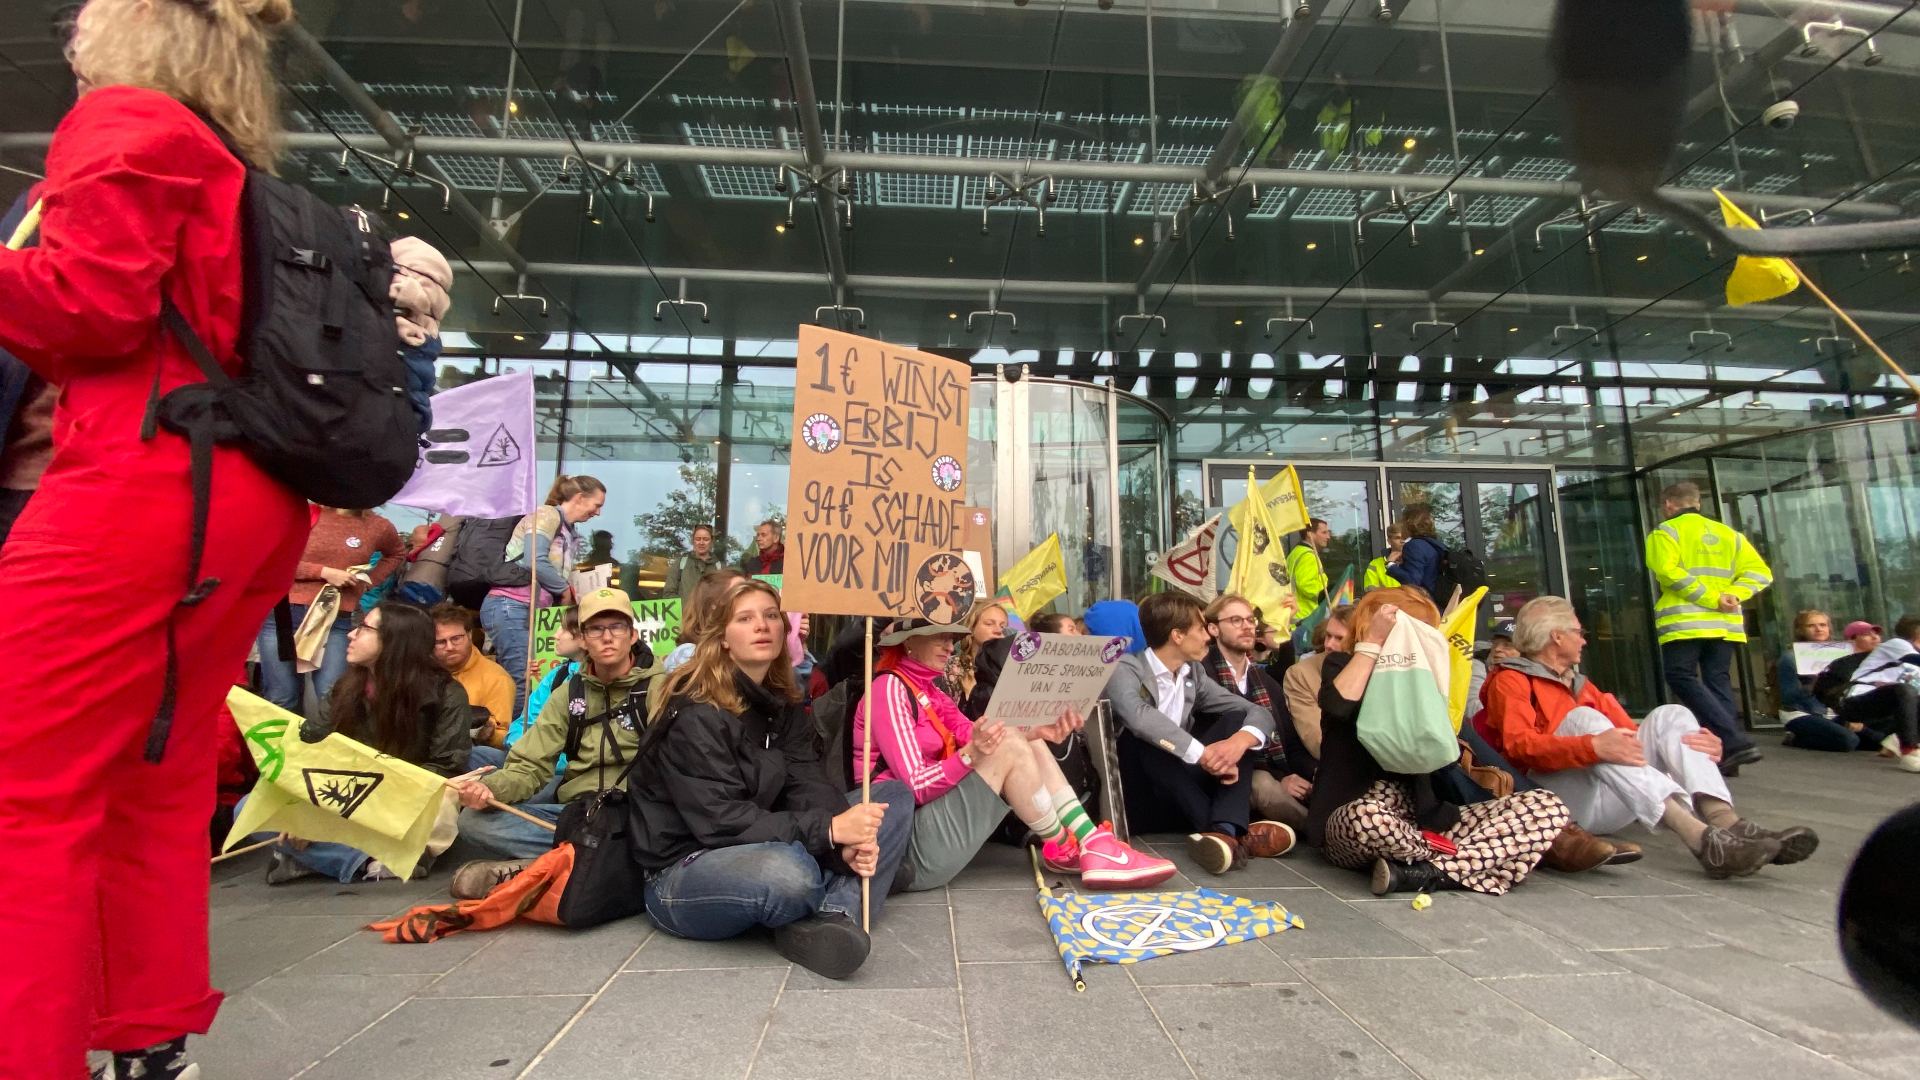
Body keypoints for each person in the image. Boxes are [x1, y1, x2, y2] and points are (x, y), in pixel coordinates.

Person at [0, 2, 314, 1074]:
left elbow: (87, 309)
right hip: (247, 497)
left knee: (24, 796)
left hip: (136, 482)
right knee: (159, 782)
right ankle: (148, 1041)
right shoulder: (228, 164)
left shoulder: (126, 121)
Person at [627, 579, 913, 979]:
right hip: (686, 868)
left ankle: (828, 917)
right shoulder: (695, 711)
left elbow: (807, 783)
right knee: (790, 871)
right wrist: (831, 833)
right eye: (745, 618)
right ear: (722, 638)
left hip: (764, 834)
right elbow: (721, 821)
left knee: (892, 798)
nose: (762, 625)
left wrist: (841, 845)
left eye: (771, 615)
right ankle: (848, 895)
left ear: (785, 629)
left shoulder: (783, 703)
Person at [1483, 596, 1818, 878]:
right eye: (1578, 632)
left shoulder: (1581, 684)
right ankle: (1701, 839)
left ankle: (1726, 822)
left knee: (1670, 715)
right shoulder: (1511, 681)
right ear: (1556, 637)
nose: (1584, 639)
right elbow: (1519, 747)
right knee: (1584, 720)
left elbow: (1630, 740)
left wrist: (1697, 748)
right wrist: (1591, 746)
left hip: (1610, 798)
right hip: (1555, 806)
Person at [857, 619, 1174, 891]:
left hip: (926, 828)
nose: (949, 645)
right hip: (903, 847)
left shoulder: (931, 691)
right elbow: (915, 785)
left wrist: (1036, 733)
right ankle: (1070, 846)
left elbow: (984, 738)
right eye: (938, 636)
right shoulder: (888, 689)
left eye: (952, 638)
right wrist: (971, 754)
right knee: (1007, 737)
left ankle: (1083, 842)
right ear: (908, 642)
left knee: (1014, 734)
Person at [1307, 587, 1573, 897]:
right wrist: (1374, 643)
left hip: (1425, 819)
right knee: (1366, 818)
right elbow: (1338, 704)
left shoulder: (1426, 677)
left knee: (1547, 807)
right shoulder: (1343, 662)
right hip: (1354, 816)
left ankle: (1429, 873)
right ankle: (1476, 860)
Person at [264, 603, 474, 886]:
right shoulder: (346, 686)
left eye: (364, 628)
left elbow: (446, 766)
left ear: (394, 641)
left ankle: (318, 857)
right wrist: (307, 806)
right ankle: (370, 861)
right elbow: (311, 744)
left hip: (403, 798)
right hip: (341, 793)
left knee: (446, 803)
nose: (351, 635)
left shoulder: (445, 693)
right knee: (253, 809)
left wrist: (373, 796)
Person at [450, 589, 653, 879]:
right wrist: (491, 788)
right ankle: (587, 859)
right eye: (595, 629)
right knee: (474, 821)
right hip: (578, 812)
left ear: (633, 635)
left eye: (617, 627)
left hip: (637, 810)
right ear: (583, 639)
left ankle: (549, 866)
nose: (607, 637)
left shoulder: (663, 689)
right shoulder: (567, 694)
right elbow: (530, 765)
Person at [1105, 591, 1292, 875]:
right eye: (1201, 628)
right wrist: (1203, 754)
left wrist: (1237, 744)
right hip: (1139, 796)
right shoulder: (1125, 668)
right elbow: (1140, 719)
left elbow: (1257, 712)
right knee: (1146, 737)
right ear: (1177, 636)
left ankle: (1224, 831)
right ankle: (1231, 834)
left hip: (1183, 794)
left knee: (1237, 720)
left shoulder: (1193, 673)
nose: (1208, 636)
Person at [1645, 480, 1772, 773]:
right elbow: (1761, 573)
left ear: (1668, 505)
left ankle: (1733, 740)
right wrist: (1733, 595)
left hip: (1685, 621)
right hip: (1724, 623)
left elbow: (1668, 573)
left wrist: (1711, 598)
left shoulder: (1664, 532)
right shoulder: (1729, 534)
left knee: (1680, 675)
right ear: (1698, 504)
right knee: (1718, 680)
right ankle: (1728, 757)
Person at [255, 506, 404, 716]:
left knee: (334, 698)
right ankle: (282, 748)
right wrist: (323, 572)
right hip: (282, 617)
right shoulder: (303, 514)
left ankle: (327, 746)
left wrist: (367, 582)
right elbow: (273, 556)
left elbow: (396, 553)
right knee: (282, 697)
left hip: (335, 622)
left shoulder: (377, 526)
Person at [481, 474, 605, 719]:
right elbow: (534, 560)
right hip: (510, 604)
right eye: (597, 505)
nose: (598, 513)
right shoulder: (547, 515)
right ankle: (517, 742)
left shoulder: (570, 532)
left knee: (533, 676)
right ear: (580, 498)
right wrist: (564, 590)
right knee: (523, 677)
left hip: (532, 609)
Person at [1205, 594, 1309, 836]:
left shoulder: (1266, 682)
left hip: (1270, 773)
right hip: (1220, 775)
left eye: (1250, 620)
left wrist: (1306, 775)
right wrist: (1279, 778)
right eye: (1235, 620)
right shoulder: (1201, 673)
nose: (1247, 626)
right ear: (1213, 628)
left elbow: (1290, 741)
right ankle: (1321, 833)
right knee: (1263, 785)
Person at [1779, 610, 1869, 752]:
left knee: (1877, 739)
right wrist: (1811, 686)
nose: (1819, 629)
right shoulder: (1790, 657)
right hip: (1803, 713)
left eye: (1822, 625)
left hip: (1834, 712)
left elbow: (1852, 689)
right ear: (1800, 630)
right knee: (1849, 741)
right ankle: (1795, 738)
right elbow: (1787, 697)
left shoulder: (1842, 655)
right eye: (1811, 626)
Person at [431, 602, 516, 752]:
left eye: (456, 638)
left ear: (469, 635)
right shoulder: (420, 672)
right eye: (441, 642)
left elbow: (505, 736)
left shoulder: (497, 678)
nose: (450, 647)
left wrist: (490, 735)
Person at [1840, 614, 1920, 771]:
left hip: (1888, 711)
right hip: (1857, 701)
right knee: (1904, 690)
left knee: (1907, 692)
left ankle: (1897, 739)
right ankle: (1909, 751)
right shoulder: (1898, 644)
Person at [1282, 604, 1351, 763]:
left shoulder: (1381, 666)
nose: (1329, 645)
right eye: (1328, 636)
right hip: (1337, 767)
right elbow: (1317, 740)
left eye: (1339, 638)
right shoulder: (1301, 674)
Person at [939, 599, 1009, 703]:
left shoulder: (1009, 668)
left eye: (1002, 626)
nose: (998, 630)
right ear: (971, 627)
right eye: (989, 624)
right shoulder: (952, 667)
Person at [1388, 506, 1446, 596]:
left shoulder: (1413, 545)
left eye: (1402, 523)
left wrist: (1390, 565)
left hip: (1427, 604)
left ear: (1408, 524)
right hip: (1442, 602)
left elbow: (1413, 582)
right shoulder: (1435, 543)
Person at [664, 524, 721, 602]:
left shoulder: (720, 568)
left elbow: (725, 596)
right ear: (693, 541)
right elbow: (668, 594)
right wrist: (685, 610)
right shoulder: (680, 563)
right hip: (685, 613)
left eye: (706, 539)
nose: (701, 542)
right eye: (698, 539)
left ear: (711, 541)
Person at [1287, 517, 1331, 611]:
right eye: (1324, 532)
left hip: (1297, 612)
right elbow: (1306, 584)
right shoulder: (1308, 555)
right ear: (1309, 534)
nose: (1328, 537)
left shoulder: (1297, 552)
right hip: (1307, 614)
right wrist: (1326, 592)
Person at [1364, 523, 1407, 591]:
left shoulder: (1418, 561)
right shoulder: (1375, 565)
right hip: (1386, 601)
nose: (1402, 541)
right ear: (1389, 541)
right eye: (1397, 538)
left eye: (1405, 538)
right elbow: (1371, 594)